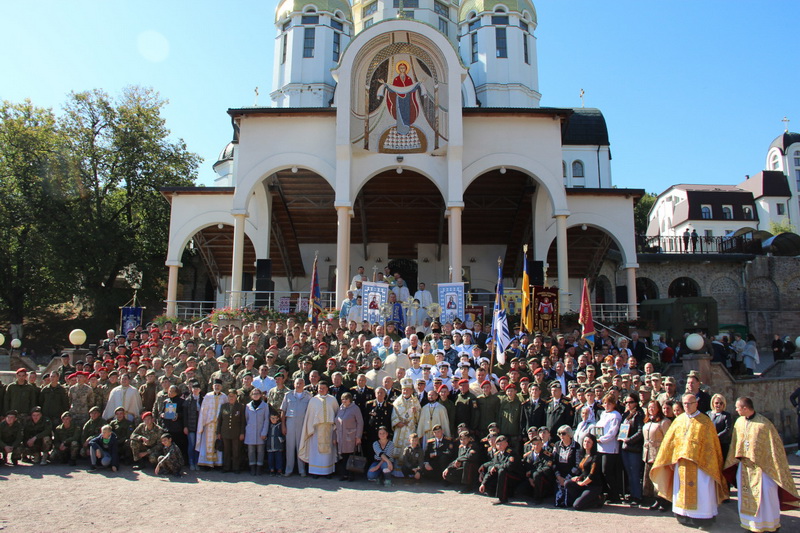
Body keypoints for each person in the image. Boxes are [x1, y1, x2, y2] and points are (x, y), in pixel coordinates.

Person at [650, 393, 728, 528]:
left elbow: (711, 445)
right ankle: (683, 515)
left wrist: (705, 460)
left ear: (696, 404)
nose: (686, 406)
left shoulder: (705, 421)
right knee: (681, 490)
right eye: (684, 403)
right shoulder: (679, 420)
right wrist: (671, 459)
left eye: (689, 403)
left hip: (701, 466)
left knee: (702, 490)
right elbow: (670, 442)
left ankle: (704, 518)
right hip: (681, 464)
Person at [723, 396, 800, 532]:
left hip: (762, 470)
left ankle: (769, 525)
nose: (735, 409)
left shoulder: (764, 425)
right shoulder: (739, 422)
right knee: (745, 496)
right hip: (744, 469)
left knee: (766, 498)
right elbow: (735, 444)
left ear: (745, 408)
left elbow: (775, 448)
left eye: (737, 407)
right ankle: (750, 524)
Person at [298, 381, 339, 478]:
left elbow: (336, 413)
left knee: (328, 452)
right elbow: (309, 416)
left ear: (327, 389)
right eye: (320, 388)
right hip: (316, 430)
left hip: (329, 429)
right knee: (316, 451)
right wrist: (310, 428)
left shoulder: (332, 400)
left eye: (323, 388)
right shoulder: (313, 400)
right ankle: (315, 471)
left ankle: (328, 472)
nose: (321, 390)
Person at [642, 400, 672, 511]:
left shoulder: (664, 422)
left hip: (659, 454)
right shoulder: (648, 421)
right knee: (651, 479)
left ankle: (664, 501)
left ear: (658, 408)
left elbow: (668, 440)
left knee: (660, 479)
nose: (651, 409)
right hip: (648, 454)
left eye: (653, 407)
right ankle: (656, 499)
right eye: (649, 407)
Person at [281, 377, 312, 477]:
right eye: (297, 383)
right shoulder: (288, 395)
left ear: (304, 384)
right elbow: (283, 411)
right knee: (289, 447)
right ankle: (289, 469)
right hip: (290, 422)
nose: (299, 385)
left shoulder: (308, 396)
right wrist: (283, 426)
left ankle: (301, 470)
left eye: (301, 383)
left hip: (303, 423)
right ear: (294, 384)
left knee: (301, 446)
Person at [565, 434, 605, 510]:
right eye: (585, 441)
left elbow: (592, 474)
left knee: (577, 506)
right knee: (567, 483)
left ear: (593, 444)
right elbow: (583, 471)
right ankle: (582, 498)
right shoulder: (583, 454)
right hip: (584, 483)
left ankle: (597, 499)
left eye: (589, 442)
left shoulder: (596, 456)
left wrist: (582, 483)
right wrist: (579, 477)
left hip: (593, 485)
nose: (586, 443)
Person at [595, 393, 623, 503]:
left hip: (610, 448)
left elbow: (613, 432)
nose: (606, 405)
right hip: (600, 447)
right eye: (605, 403)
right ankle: (607, 493)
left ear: (613, 404)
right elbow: (599, 428)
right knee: (601, 472)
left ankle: (615, 495)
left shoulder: (616, 415)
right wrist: (597, 437)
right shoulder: (603, 414)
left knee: (608, 471)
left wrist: (602, 439)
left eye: (609, 403)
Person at [619, 392, 645, 506]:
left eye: (631, 402)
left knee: (635, 473)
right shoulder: (626, 415)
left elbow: (640, 432)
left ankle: (637, 496)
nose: (628, 404)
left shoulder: (639, 414)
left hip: (634, 449)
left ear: (636, 403)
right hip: (625, 448)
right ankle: (631, 494)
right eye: (626, 402)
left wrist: (629, 440)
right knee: (629, 472)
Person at [196, 379, 226, 469]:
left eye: (218, 386)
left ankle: (217, 463)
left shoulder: (224, 397)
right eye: (215, 385)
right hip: (208, 424)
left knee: (218, 443)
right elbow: (203, 410)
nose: (217, 387)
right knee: (206, 444)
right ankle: (206, 463)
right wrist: (202, 423)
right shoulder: (208, 396)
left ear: (221, 387)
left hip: (219, 425)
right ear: (213, 386)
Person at [335, 392, 364, 482]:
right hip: (341, 436)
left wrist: (358, 436)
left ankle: (351, 475)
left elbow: (360, 422)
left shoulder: (355, 408)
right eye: (343, 399)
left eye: (346, 399)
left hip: (351, 436)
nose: (344, 401)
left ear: (350, 400)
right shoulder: (340, 408)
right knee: (343, 457)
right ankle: (344, 474)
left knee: (351, 456)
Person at [218, 390, 246, 473]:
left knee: (236, 451)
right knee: (226, 450)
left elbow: (242, 421)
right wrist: (218, 432)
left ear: (236, 397)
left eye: (233, 396)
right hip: (225, 431)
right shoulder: (223, 406)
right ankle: (226, 467)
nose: (231, 398)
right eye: (230, 396)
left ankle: (236, 468)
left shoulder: (240, 406)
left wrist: (242, 433)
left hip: (236, 432)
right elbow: (220, 420)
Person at [244, 388, 269, 475]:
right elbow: (246, 419)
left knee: (260, 451)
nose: (256, 395)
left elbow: (266, 420)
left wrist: (264, 432)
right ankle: (252, 467)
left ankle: (259, 467)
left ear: (261, 395)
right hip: (250, 432)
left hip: (260, 431)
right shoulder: (247, 406)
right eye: (254, 393)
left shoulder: (265, 406)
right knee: (251, 451)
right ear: (251, 395)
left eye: (257, 393)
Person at [707, 393, 732, 458]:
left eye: (721, 403)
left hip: (722, 444)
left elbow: (727, 429)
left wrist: (716, 437)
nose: (718, 405)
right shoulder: (708, 414)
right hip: (709, 443)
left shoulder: (726, 415)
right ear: (713, 403)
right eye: (716, 403)